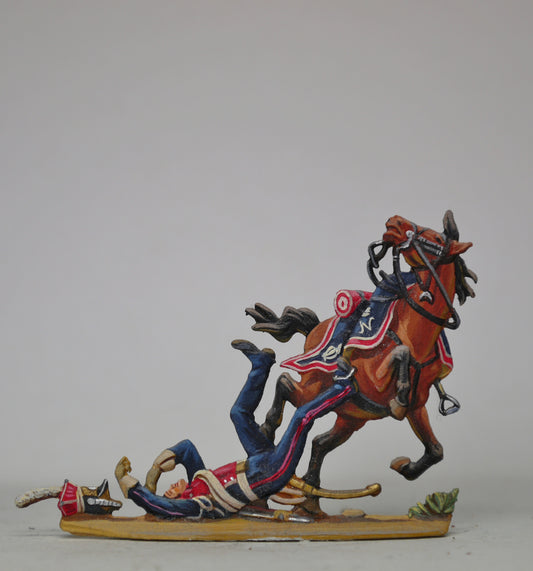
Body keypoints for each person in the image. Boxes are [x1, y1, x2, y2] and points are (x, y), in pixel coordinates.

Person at [115, 340, 356, 519]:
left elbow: (187, 449)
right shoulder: (199, 505)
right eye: (170, 494)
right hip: (271, 473)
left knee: (238, 414)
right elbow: (161, 506)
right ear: (179, 500)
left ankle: (261, 364)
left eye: (167, 491)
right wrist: (133, 488)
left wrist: (157, 467)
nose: (169, 490)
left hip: (257, 458)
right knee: (301, 417)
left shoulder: (197, 482)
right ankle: (344, 388)